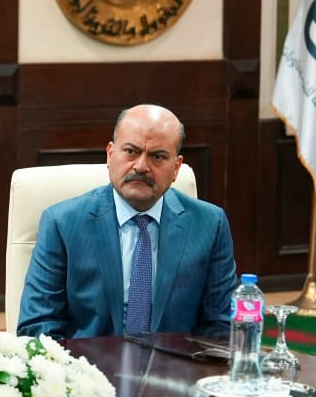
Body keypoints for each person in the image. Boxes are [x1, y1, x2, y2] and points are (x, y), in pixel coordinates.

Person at [17, 104, 236, 340]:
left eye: (157, 157)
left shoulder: (210, 225)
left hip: (175, 362)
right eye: (131, 151)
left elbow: (222, 326)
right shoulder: (61, 223)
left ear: (176, 168)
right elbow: (38, 326)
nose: (141, 166)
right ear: (110, 155)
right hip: (86, 362)